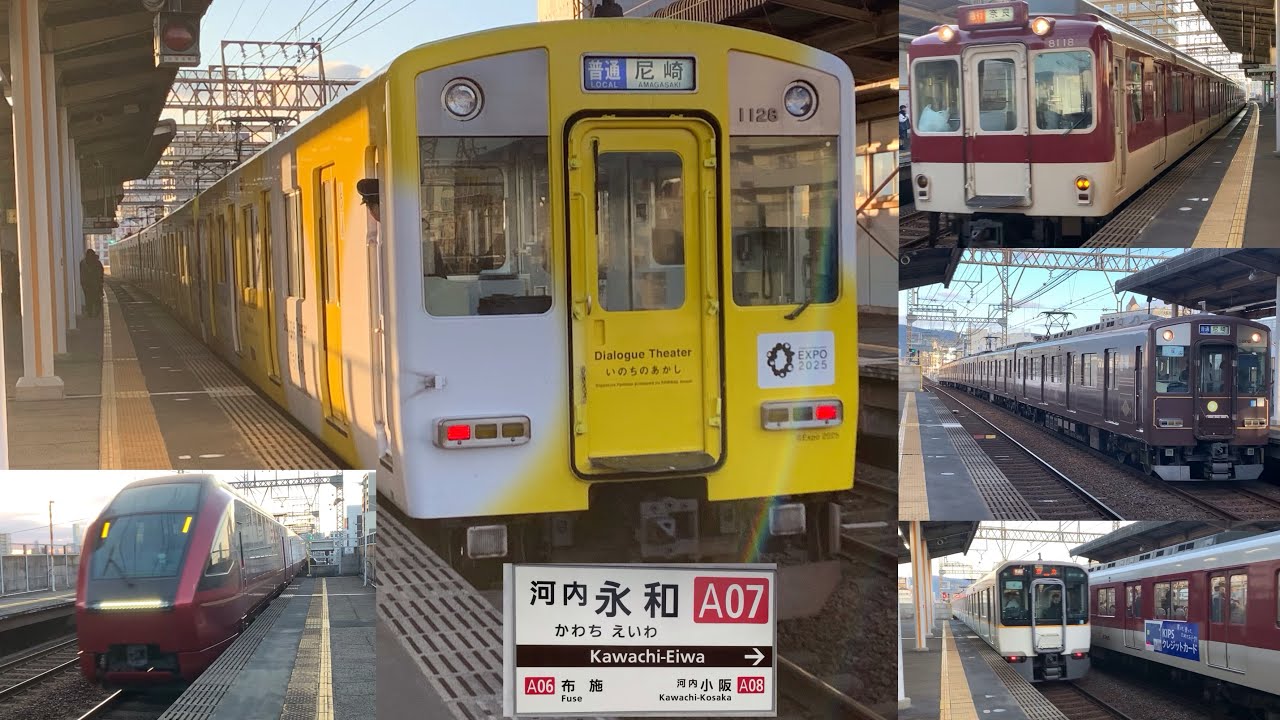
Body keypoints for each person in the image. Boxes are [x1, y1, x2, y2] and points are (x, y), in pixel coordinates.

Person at [80, 248, 104, 318]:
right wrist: (101, 282)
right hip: (95, 284)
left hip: (87, 285)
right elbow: (101, 273)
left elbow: (81, 274)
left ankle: (90, 313)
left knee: (88, 299)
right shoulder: (97, 262)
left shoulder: (83, 263)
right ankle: (96, 312)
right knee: (96, 299)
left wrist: (83, 283)